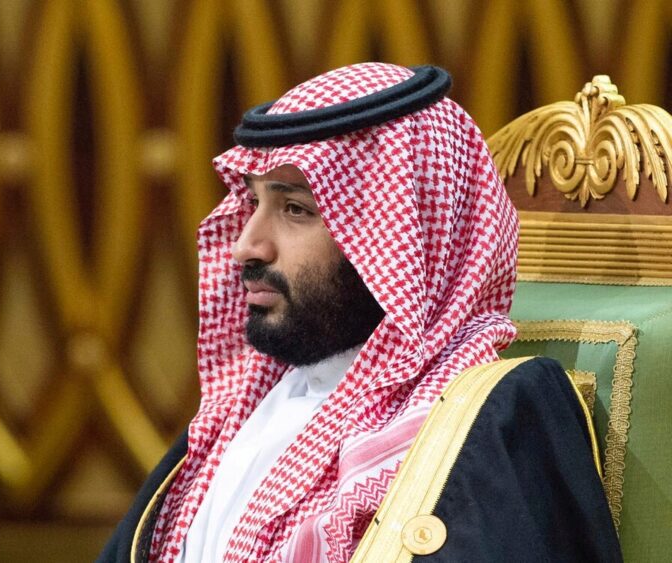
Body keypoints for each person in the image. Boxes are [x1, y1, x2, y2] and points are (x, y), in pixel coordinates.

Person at [98, 63, 621, 562]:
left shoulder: (485, 421)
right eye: (253, 203)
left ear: (400, 240)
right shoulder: (238, 415)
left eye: (296, 209)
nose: (246, 247)